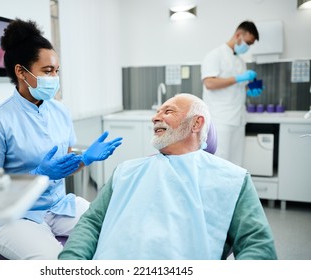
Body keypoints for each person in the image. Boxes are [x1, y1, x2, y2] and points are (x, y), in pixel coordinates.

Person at [58, 93, 277, 260]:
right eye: (157, 112)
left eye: (168, 111)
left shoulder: (232, 179)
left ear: (196, 123)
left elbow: (257, 245)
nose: (155, 118)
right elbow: (92, 223)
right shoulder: (126, 171)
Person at [0, 18, 122, 260]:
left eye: (56, 71)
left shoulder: (60, 111)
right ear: (21, 71)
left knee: (115, 227)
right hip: (14, 215)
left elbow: (63, 165)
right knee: (56, 263)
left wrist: (84, 159)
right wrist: (37, 176)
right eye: (47, 71)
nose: (54, 77)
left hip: (58, 206)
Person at [201, 20, 262, 166]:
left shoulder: (241, 62)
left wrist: (250, 89)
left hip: (238, 118)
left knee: (236, 164)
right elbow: (209, 83)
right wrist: (238, 78)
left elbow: (236, 87)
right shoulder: (215, 55)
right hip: (220, 119)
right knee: (219, 162)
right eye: (248, 42)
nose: (248, 47)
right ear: (238, 35)